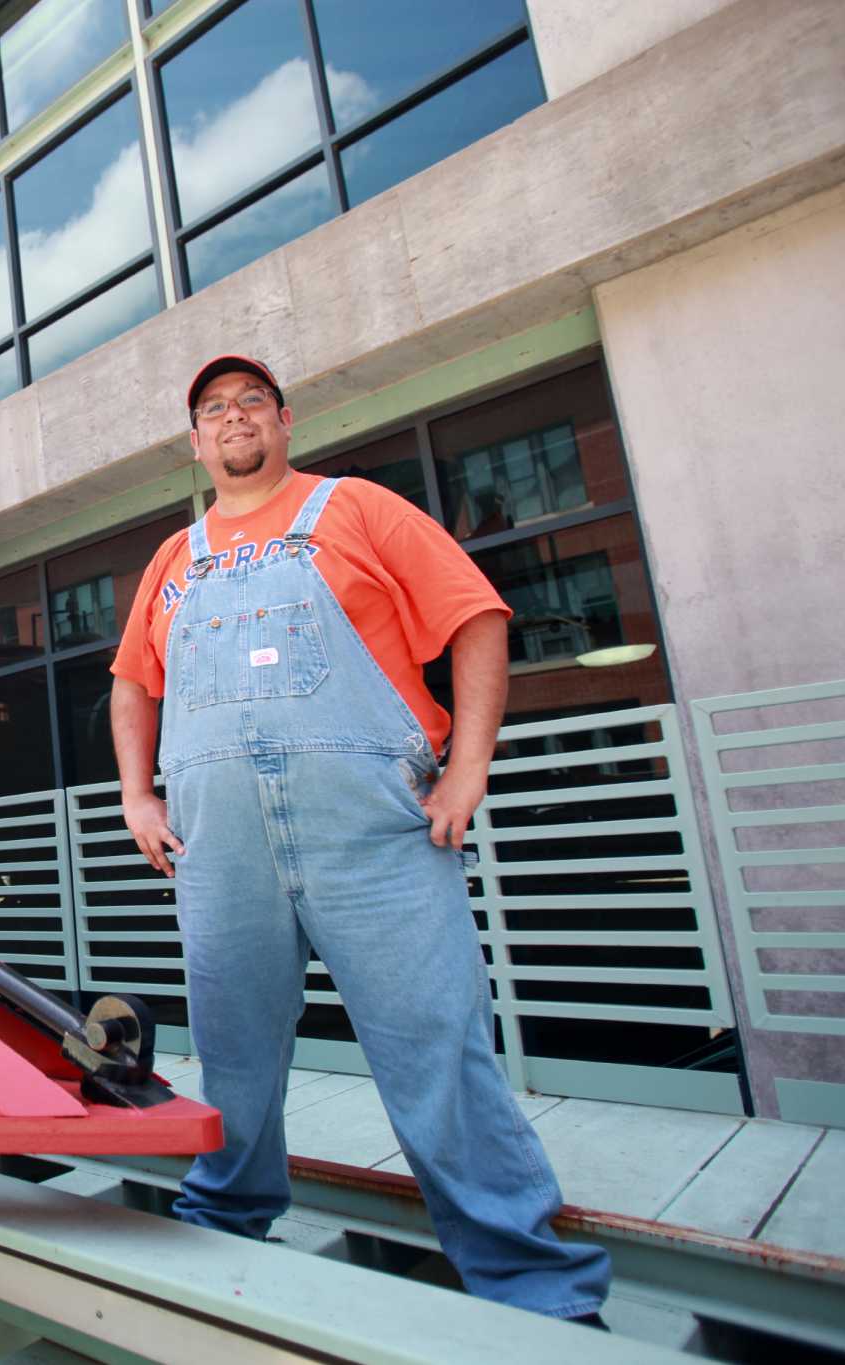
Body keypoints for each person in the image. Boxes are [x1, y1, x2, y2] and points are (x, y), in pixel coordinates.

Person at [107, 354, 612, 1325]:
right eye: (213, 409)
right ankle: (221, 1221)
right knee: (233, 1057)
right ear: (194, 442)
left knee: (435, 1049)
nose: (233, 417)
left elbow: (474, 619)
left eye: (251, 400)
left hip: (373, 842)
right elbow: (133, 681)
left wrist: (466, 770)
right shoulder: (173, 561)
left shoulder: (357, 511)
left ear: (283, 421)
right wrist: (136, 795)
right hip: (221, 856)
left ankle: (530, 1282)